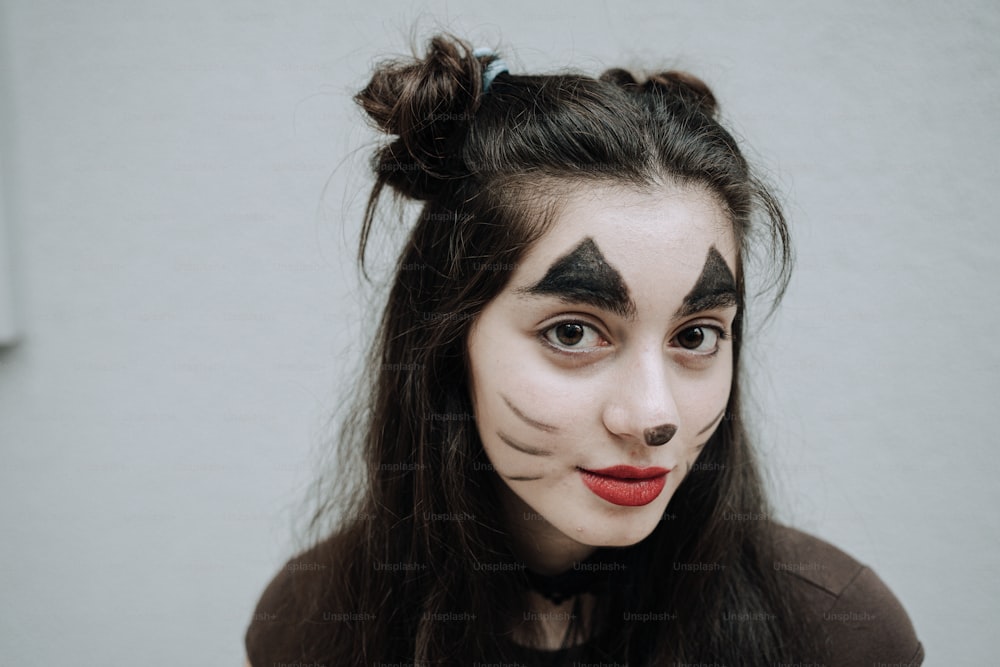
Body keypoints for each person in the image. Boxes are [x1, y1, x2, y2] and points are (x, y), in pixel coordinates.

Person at [244, 34, 924, 665]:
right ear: (447, 343)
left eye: (695, 336)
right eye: (572, 332)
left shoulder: (837, 631)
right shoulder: (317, 620)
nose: (653, 416)